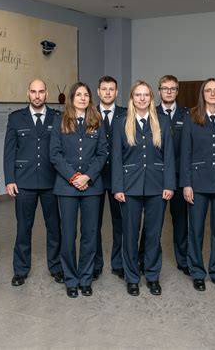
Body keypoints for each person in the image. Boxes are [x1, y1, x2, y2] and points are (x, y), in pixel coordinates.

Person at [112, 80, 175, 296]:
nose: (142, 98)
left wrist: (169, 184)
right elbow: (117, 157)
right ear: (131, 98)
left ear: (151, 98)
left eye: (145, 95)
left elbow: (168, 156)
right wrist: (117, 187)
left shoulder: (163, 122)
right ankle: (132, 277)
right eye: (137, 95)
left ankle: (152, 275)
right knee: (130, 234)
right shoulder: (121, 122)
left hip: (157, 187)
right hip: (129, 187)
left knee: (153, 234)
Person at [3, 79, 63, 287]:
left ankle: (56, 267)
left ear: (47, 94)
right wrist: (9, 179)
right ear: (27, 94)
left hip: (52, 182)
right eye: (33, 92)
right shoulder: (16, 118)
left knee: (54, 228)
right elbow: (9, 151)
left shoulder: (58, 118)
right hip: (24, 182)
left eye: (41, 92)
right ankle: (20, 270)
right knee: (23, 228)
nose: (37, 96)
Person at [50, 82, 107, 298]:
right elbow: (54, 154)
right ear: (72, 98)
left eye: (86, 95)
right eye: (78, 94)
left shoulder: (96, 122)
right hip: (67, 187)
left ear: (90, 99)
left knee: (90, 234)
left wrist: (88, 176)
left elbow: (102, 153)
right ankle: (71, 279)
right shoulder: (60, 121)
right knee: (69, 234)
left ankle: (85, 278)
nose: (82, 98)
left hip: (92, 187)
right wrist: (74, 177)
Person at [180, 78, 215, 292]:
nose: (212, 94)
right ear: (202, 94)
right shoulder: (192, 118)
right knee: (195, 230)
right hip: (197, 183)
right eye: (208, 90)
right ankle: (197, 271)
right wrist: (186, 184)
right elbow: (185, 153)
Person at [93, 76, 127, 281]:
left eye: (111, 89)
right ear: (98, 92)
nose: (107, 93)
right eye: (104, 89)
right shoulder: (89, 113)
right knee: (93, 224)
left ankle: (119, 263)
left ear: (116, 92)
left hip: (119, 177)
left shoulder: (125, 114)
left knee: (120, 222)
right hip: (95, 177)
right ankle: (96, 263)